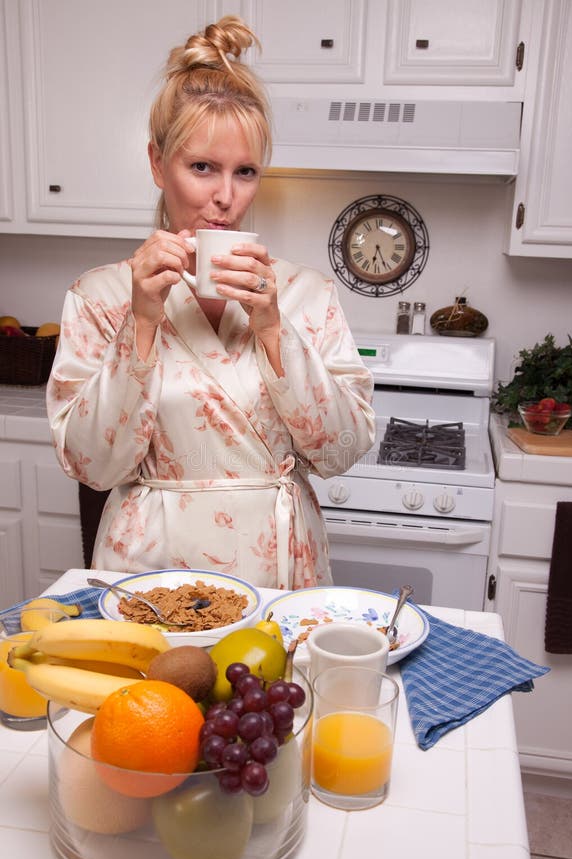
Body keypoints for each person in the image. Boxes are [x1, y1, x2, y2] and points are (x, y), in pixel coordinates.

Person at [47, 16, 375, 591]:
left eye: (244, 172)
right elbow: (92, 467)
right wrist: (141, 323)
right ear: (157, 164)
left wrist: (274, 330)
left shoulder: (305, 295)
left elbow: (342, 452)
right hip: (152, 571)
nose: (226, 197)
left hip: (281, 571)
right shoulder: (99, 296)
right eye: (202, 167)